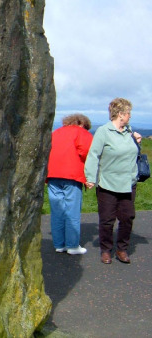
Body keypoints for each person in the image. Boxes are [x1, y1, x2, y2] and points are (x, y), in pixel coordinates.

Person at [85, 98, 142, 264]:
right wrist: (90, 177)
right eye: (128, 113)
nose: (130, 116)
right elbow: (93, 155)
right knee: (107, 220)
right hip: (108, 184)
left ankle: (122, 249)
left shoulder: (129, 131)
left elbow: (132, 154)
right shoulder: (104, 131)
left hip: (128, 183)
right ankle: (106, 250)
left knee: (127, 218)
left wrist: (137, 142)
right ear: (121, 114)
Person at [46, 114, 93, 255]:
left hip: (53, 174)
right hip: (72, 175)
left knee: (57, 211)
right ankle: (72, 246)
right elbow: (88, 152)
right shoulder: (81, 132)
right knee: (72, 211)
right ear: (82, 124)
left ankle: (59, 244)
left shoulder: (56, 132)